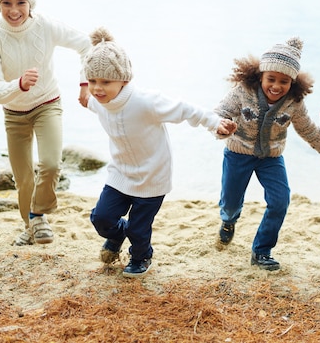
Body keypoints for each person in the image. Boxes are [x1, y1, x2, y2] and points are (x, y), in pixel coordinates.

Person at [82, 27, 236, 278]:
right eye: (93, 81)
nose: (98, 89)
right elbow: (86, 98)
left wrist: (215, 123)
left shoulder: (146, 102)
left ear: (124, 79)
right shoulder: (98, 102)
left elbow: (185, 109)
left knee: (139, 230)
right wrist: (83, 89)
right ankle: (117, 235)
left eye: (105, 82)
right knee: (101, 218)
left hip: (152, 177)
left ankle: (142, 256)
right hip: (120, 174)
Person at [0, 0, 92, 246]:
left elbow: (86, 45)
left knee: (52, 164)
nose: (14, 10)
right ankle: (32, 226)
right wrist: (17, 84)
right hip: (13, 114)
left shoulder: (46, 26)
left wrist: (84, 82)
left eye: (21, 2)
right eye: (6, 3)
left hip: (47, 104)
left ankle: (38, 214)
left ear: (31, 2)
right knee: (23, 179)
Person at [214, 36, 320, 271]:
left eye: (284, 81)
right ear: (260, 75)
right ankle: (229, 221)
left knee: (280, 201)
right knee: (230, 203)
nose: (276, 86)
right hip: (238, 154)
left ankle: (261, 251)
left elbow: (308, 129)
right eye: (271, 79)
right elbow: (221, 112)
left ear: (293, 82)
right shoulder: (242, 91)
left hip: (271, 159)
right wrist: (222, 127)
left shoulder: (293, 102)